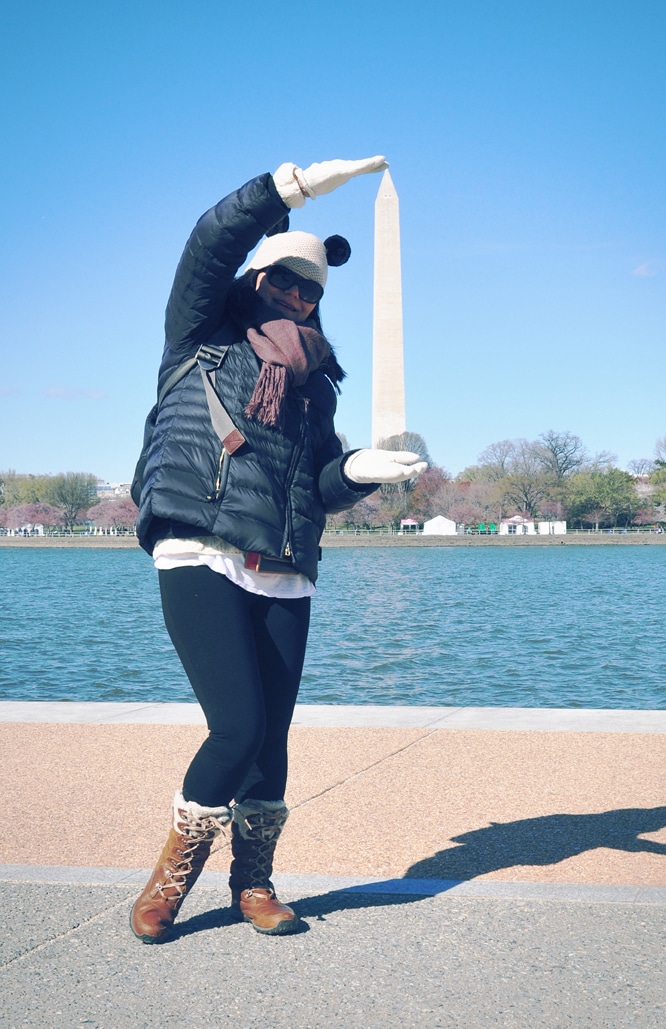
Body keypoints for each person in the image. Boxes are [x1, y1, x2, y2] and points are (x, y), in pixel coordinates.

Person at [130, 156, 427, 943]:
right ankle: (170, 881)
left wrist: (357, 471)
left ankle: (253, 882)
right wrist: (284, 190)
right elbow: (207, 243)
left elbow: (317, 485)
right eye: (286, 282)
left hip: (286, 566)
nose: (300, 297)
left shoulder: (316, 383)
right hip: (202, 546)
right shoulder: (201, 333)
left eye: (312, 291)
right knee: (237, 725)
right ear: (256, 278)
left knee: (274, 739)